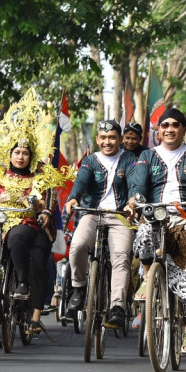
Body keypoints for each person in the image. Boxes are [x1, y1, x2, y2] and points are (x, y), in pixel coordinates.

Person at [126, 107, 186, 355]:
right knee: (143, 234)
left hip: (185, 217)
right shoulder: (147, 156)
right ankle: (147, 278)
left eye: (175, 125)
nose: (170, 129)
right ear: (158, 130)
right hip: (155, 215)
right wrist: (135, 200)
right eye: (165, 125)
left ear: (183, 129)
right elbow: (137, 184)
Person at [0, 90, 67, 335]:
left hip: (33, 226)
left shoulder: (41, 176)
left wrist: (42, 210)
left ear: (31, 156)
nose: (21, 156)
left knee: (33, 259)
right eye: (17, 152)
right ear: (9, 154)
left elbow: (50, 202)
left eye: (25, 153)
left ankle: (32, 309)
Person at [64, 119, 136, 330]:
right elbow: (81, 181)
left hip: (120, 216)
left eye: (112, 137)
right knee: (77, 245)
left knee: (121, 257)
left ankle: (117, 308)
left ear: (120, 139)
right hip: (92, 213)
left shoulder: (130, 159)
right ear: (97, 139)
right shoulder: (90, 161)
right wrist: (74, 197)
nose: (107, 141)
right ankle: (79, 288)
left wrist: (132, 202)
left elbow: (134, 183)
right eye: (103, 138)